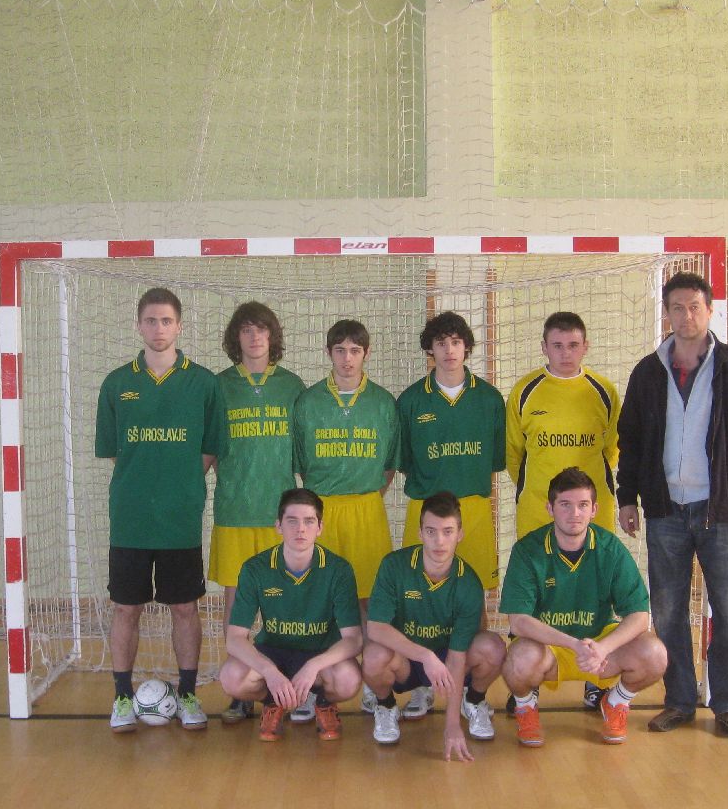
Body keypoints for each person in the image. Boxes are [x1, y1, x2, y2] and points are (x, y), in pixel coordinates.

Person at [616, 271, 728, 738]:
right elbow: (631, 440)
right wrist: (627, 497)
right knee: (667, 613)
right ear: (666, 313)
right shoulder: (648, 372)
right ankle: (680, 700)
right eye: (677, 308)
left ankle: (726, 703)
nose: (686, 316)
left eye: (694, 307)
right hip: (665, 510)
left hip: (722, 512)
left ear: (709, 310)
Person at [96, 288, 225, 732]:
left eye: (166, 320)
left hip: (179, 517)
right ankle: (122, 697)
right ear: (139, 325)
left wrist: (180, 481)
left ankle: (187, 693)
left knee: (185, 607)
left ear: (179, 326)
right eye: (151, 320)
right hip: (131, 517)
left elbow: (210, 448)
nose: (158, 328)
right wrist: (147, 480)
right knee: (125, 609)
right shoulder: (117, 383)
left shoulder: (204, 383)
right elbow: (117, 453)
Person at [499, 468, 666, 748]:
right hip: (550, 648)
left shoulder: (610, 549)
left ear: (594, 510)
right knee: (517, 660)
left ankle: (616, 702)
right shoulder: (528, 550)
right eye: (565, 504)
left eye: (583, 505)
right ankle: (526, 708)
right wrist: (574, 644)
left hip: (598, 648)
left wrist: (602, 647)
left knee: (655, 653)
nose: (574, 513)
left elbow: (639, 616)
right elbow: (519, 622)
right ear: (550, 508)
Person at [505, 311, 621, 710]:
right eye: (557, 345)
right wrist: (547, 498)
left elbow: (611, 450)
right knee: (535, 594)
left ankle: (595, 680)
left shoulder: (604, 391)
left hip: (591, 514)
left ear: (585, 347)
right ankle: (529, 683)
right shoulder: (525, 391)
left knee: (595, 591)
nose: (565, 353)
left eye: (573, 345)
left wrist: (581, 502)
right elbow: (514, 455)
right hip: (538, 510)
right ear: (544, 348)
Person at [395, 311, 506, 720]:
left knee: (475, 599)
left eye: (456, 342)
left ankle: (473, 693)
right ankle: (421, 686)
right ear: (430, 348)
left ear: (467, 347)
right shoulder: (410, 400)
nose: (448, 350)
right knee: (417, 600)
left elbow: (495, 459)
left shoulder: (489, 399)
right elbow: (405, 461)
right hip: (425, 510)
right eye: (440, 342)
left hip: (472, 510)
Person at [291, 319, 400, 712]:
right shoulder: (308, 402)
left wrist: (363, 496)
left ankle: (373, 683)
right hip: (322, 512)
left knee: (370, 602)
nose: (347, 358)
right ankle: (313, 686)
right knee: (316, 602)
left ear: (366, 353)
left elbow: (389, 465)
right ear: (329, 353)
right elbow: (301, 463)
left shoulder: (383, 403)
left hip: (367, 509)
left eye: (355, 350)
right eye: (340, 350)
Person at [208, 302, 306, 726]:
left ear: (272, 336)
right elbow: (209, 449)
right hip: (234, 511)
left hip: (279, 516)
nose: (254, 337)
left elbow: (303, 450)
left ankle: (290, 685)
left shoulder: (293, 386)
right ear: (236, 337)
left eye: (261, 329)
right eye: (246, 330)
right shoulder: (219, 386)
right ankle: (241, 693)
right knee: (237, 607)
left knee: (285, 603)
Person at [362, 492, 506, 760]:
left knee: (493, 647)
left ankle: (473, 700)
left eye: (447, 531)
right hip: (407, 661)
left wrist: (451, 726)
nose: (439, 541)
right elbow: (376, 628)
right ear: (420, 533)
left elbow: (457, 656)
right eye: (431, 531)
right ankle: (386, 705)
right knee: (373, 655)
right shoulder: (394, 566)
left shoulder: (468, 583)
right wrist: (425, 656)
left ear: (460, 534)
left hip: (449, 663)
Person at [219, 489, 363, 742]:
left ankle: (324, 703)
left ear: (320, 527)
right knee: (231, 677)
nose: (300, 529)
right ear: (278, 526)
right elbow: (234, 639)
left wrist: (314, 665)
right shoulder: (255, 569)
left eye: (309, 521)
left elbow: (354, 639)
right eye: (292, 521)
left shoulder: (338, 569)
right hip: (273, 652)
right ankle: (274, 701)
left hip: (320, 653)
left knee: (348, 679)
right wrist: (269, 671)